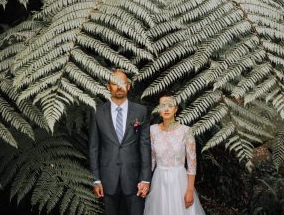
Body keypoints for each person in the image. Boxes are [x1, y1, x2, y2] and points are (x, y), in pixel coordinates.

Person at [88, 69, 151, 215]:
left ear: (128, 86)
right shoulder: (97, 112)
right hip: (107, 179)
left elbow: (145, 146)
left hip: (135, 180)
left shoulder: (141, 111)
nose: (119, 87)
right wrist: (96, 179)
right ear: (108, 86)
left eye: (122, 83)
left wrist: (145, 179)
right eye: (114, 83)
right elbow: (93, 148)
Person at [143, 92, 205, 215]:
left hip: (179, 181)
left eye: (170, 105)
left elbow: (192, 164)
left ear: (176, 109)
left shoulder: (186, 131)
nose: (166, 109)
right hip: (159, 181)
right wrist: (144, 182)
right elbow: (151, 160)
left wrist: (190, 190)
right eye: (162, 106)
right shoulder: (152, 130)